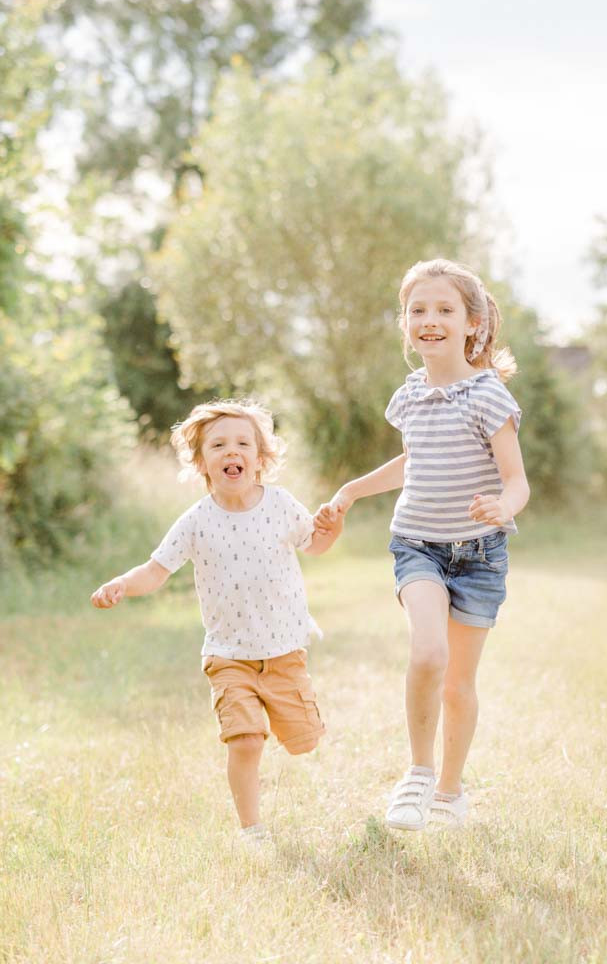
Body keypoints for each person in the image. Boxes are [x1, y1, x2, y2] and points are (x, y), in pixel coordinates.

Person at [314, 258, 529, 831]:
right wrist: (352, 490)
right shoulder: (409, 397)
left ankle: (450, 792)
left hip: (479, 556)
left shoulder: (488, 396)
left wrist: (504, 506)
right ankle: (417, 773)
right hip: (418, 545)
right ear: (405, 324)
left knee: (458, 684)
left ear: (472, 323)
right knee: (428, 654)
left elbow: (517, 479)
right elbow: (414, 461)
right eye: (418, 310)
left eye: (444, 309)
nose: (429, 320)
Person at [92, 399, 337, 847]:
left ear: (259, 458)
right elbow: (155, 570)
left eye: (243, 443)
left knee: (305, 742)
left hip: (284, 650)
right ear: (201, 461)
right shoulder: (196, 522)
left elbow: (314, 545)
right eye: (218, 445)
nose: (231, 451)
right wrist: (122, 584)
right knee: (246, 741)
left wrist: (331, 529)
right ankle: (251, 830)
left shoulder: (281, 504)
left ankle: (282, 718)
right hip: (228, 655)